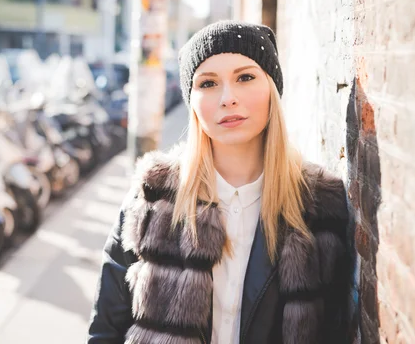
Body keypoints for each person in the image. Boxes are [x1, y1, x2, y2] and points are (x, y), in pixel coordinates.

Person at [87, 20, 358, 344]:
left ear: (272, 88)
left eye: (245, 77)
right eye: (208, 83)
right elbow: (105, 330)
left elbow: (333, 331)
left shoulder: (318, 205)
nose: (228, 98)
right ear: (192, 100)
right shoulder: (152, 199)